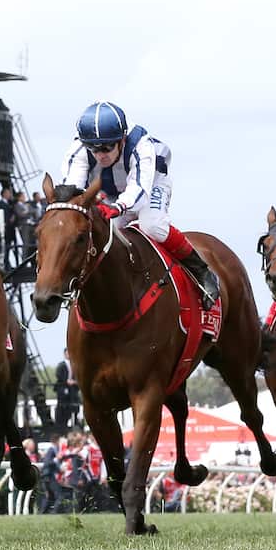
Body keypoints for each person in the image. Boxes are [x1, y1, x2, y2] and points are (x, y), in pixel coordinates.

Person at [61, 101, 219, 308]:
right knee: (100, 234)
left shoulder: (141, 145)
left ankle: (202, 271)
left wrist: (117, 208)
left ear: (122, 139)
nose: (101, 154)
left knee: (153, 226)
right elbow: (73, 192)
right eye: (93, 149)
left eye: (107, 147)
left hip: (150, 182)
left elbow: (138, 191)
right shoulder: (79, 150)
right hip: (110, 190)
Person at [55, 349, 79, 429]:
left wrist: (75, 382)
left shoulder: (75, 365)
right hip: (63, 389)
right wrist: (66, 381)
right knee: (63, 408)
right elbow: (58, 375)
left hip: (73, 390)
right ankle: (62, 425)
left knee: (75, 407)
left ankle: (75, 423)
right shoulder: (61, 365)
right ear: (65, 354)